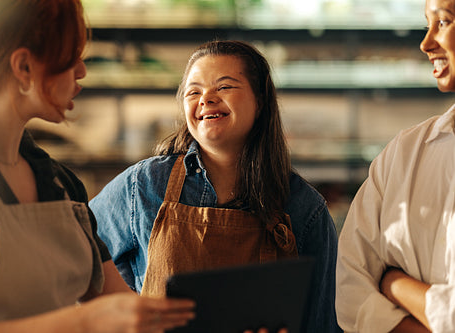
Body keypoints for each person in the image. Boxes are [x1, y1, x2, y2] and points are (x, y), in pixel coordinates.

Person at [0, 1, 195, 332]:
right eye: (70, 57)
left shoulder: (61, 183)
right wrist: (84, 322)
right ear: (24, 66)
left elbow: (123, 309)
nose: (82, 71)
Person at [90, 40, 341, 332]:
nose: (206, 99)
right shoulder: (143, 186)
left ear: (259, 101)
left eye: (224, 87)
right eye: (193, 91)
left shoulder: (304, 208)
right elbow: (78, 258)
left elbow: (322, 325)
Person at [336, 0, 455, 331]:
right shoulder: (403, 153)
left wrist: (394, 284)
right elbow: (348, 285)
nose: (426, 43)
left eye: (443, 22)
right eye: (426, 24)